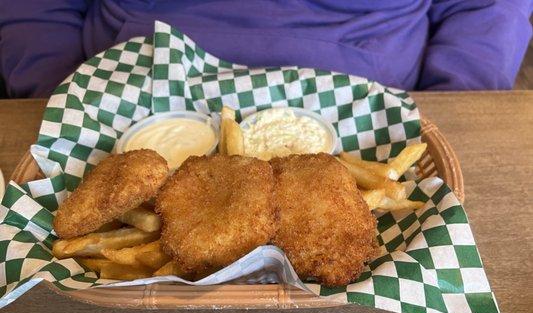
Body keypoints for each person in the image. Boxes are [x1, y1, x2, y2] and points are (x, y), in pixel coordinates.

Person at [0, 0, 531, 98]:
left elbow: (489, 7)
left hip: (384, 112)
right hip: (127, 99)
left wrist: (457, 103)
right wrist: (62, 95)